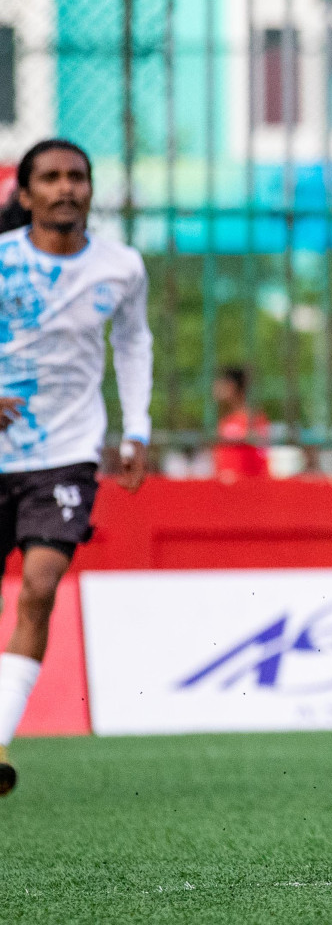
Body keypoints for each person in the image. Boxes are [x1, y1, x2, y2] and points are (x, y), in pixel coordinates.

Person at [0, 139, 152, 795]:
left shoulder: (121, 267)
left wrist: (137, 429)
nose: (67, 188)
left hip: (66, 451)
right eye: (51, 178)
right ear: (26, 194)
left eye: (77, 177)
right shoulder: (3, 263)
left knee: (39, 585)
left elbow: (134, 341)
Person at [212, 367, 269, 481]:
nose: (216, 388)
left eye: (223, 383)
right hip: (225, 488)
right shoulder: (226, 421)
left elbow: (260, 457)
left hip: (249, 487)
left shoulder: (254, 419)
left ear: (232, 386)